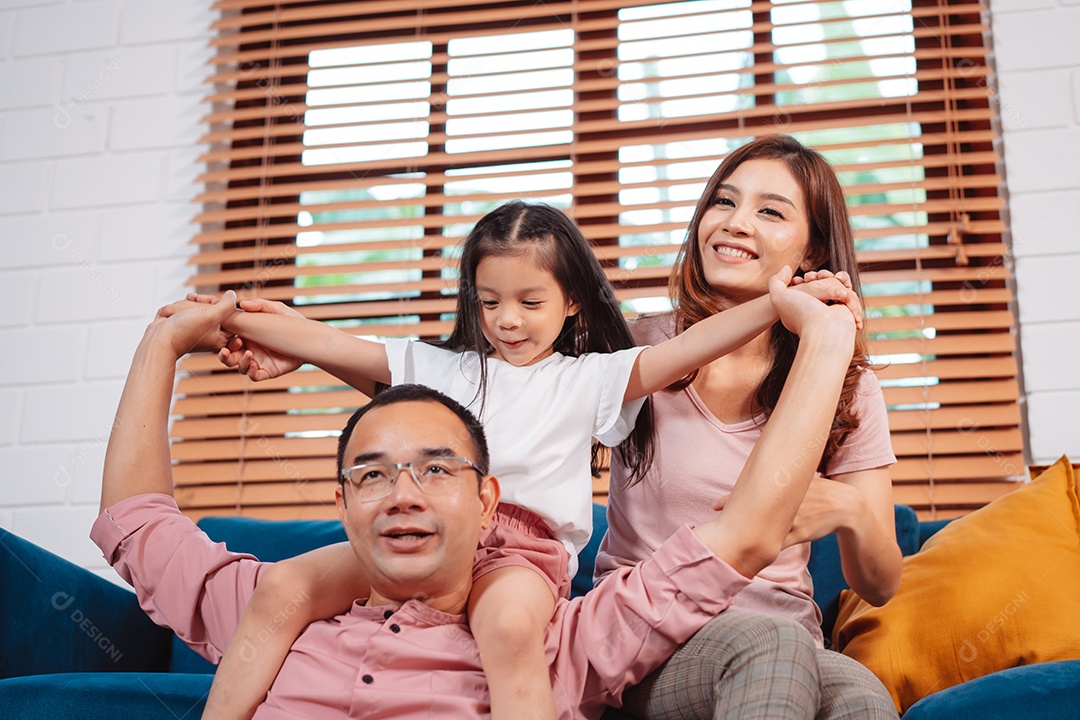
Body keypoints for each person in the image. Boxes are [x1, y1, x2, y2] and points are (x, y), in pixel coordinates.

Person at [174, 201, 861, 720]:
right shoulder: (439, 367)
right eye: (490, 300)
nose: (508, 320)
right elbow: (322, 341)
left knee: (506, 628)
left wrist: (780, 303)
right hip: (433, 539)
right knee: (278, 588)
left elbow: (688, 348)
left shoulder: (587, 378)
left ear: (569, 303)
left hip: (519, 552)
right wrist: (217, 321)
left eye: (530, 302)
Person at [596, 134, 902, 718]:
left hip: (785, 633)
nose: (735, 222)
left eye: (769, 211)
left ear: (812, 253)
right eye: (723, 201)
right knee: (773, 646)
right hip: (645, 632)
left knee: (864, 700)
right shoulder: (634, 348)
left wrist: (853, 510)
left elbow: (881, 585)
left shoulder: (844, 381)